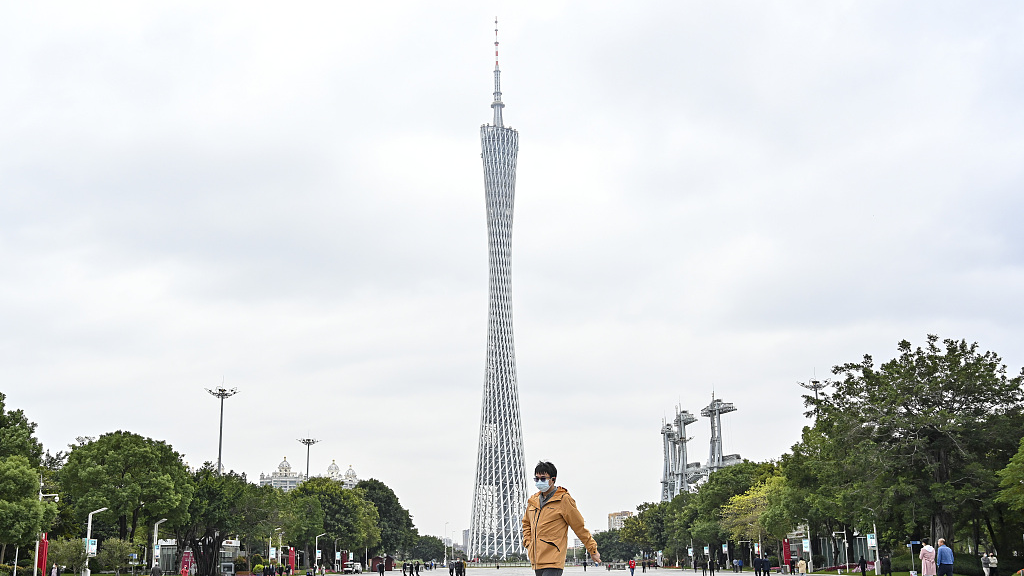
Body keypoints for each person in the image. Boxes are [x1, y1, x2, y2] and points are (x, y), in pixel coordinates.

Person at [522, 461, 601, 576]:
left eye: (543, 479)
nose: (539, 482)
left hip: (553, 559)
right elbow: (526, 523)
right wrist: (528, 542)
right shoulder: (533, 501)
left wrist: (592, 549)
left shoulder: (564, 500)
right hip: (536, 560)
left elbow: (579, 527)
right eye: (536, 479)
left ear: (553, 479)